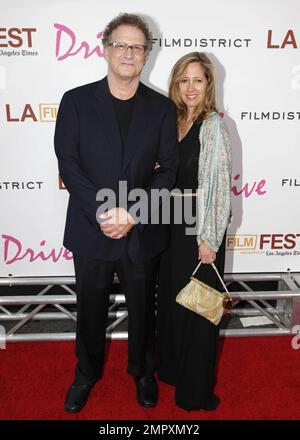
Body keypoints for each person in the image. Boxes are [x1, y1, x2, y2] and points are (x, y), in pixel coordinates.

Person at [54, 13, 178, 413]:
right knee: (90, 306)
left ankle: (142, 372)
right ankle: (85, 374)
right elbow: (68, 164)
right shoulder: (75, 101)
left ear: (146, 56)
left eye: (137, 47)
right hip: (93, 226)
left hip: (140, 229)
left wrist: (133, 213)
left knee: (143, 308)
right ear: (105, 49)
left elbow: (169, 170)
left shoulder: (161, 108)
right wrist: (107, 212)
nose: (128, 53)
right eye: (121, 45)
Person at [157, 52, 232, 411]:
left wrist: (209, 237)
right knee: (174, 304)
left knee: (199, 310)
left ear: (208, 85)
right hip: (170, 224)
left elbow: (217, 185)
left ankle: (194, 392)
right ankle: (172, 370)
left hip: (199, 226)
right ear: (175, 83)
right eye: (184, 80)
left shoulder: (213, 125)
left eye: (198, 80)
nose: (190, 87)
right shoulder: (173, 120)